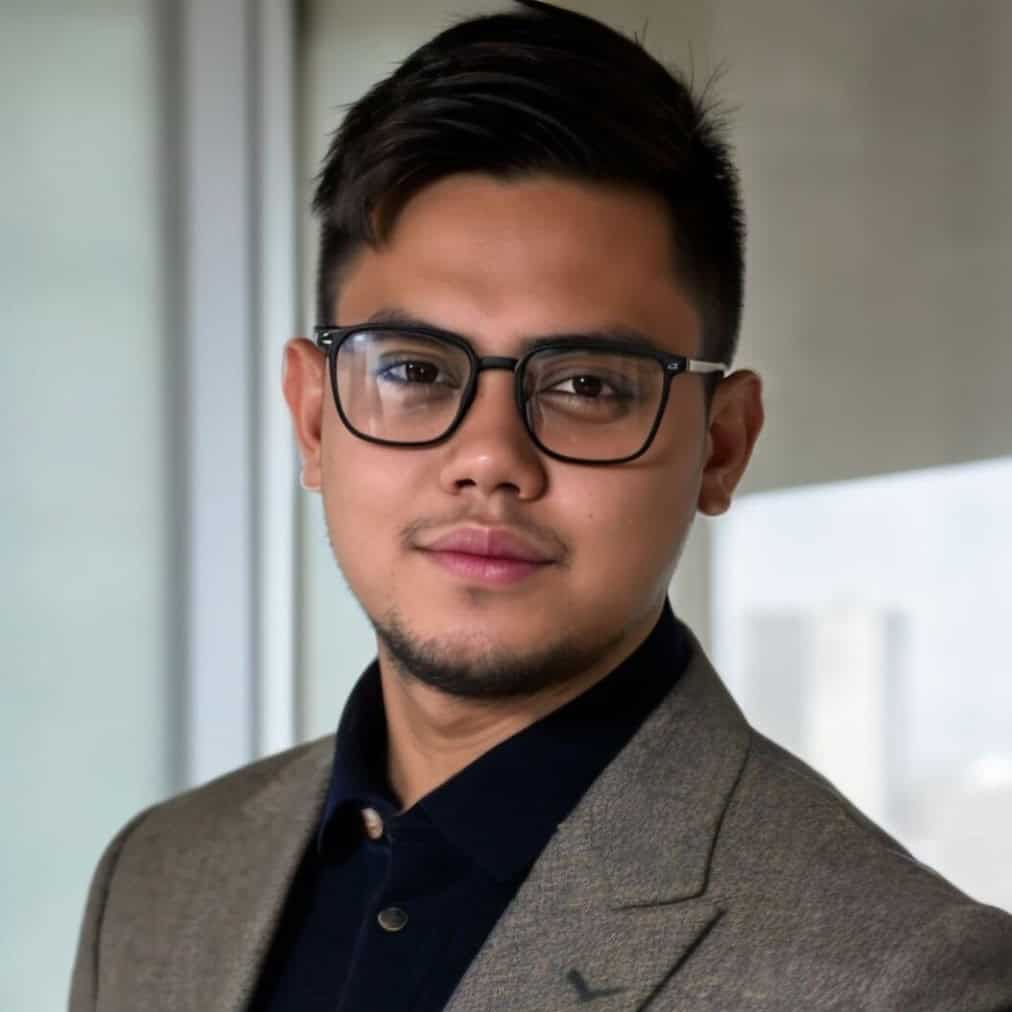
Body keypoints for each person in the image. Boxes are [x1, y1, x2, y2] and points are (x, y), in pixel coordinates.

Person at [70, 2, 1012, 1010]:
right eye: (416, 369)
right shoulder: (157, 876)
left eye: (587, 385)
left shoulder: (906, 978)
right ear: (312, 416)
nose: (487, 458)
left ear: (721, 444)